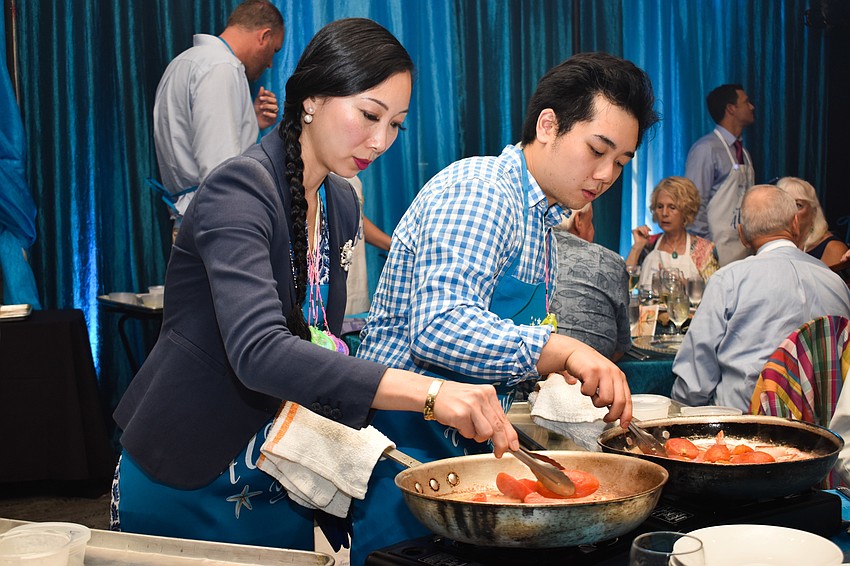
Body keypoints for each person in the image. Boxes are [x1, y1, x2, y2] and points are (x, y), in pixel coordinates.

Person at [111, 18, 518, 553]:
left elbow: (313, 340)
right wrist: (430, 393)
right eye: (369, 115)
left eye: (396, 124)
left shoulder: (341, 202)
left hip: (282, 465)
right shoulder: (238, 190)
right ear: (310, 99)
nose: (380, 141)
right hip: (194, 461)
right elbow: (260, 351)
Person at [353, 51, 658, 562]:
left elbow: (500, 333)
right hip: (406, 440)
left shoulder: (540, 219)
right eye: (597, 150)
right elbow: (440, 326)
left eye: (621, 163)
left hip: (459, 438)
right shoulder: (483, 191)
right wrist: (560, 349)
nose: (606, 175)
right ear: (548, 125)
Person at [671, 185, 850, 412]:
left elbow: (694, 383)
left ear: (742, 234)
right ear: (795, 225)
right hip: (823, 433)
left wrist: (680, 411)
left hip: (744, 431)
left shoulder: (729, 281)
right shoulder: (836, 283)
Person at [153, 0, 284, 238]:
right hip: (218, 226)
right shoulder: (221, 68)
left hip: (192, 220)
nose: (270, 63)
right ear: (264, 36)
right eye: (274, 50)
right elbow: (220, 168)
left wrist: (249, 122)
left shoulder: (184, 62)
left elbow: (192, 140)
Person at [684, 84, 756, 266]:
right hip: (715, 254)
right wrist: (706, 253)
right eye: (746, 102)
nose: (752, 107)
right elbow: (693, 205)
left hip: (744, 252)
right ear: (731, 109)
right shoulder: (706, 149)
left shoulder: (744, 153)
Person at [550, 204, 630, 361]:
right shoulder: (608, 260)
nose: (593, 229)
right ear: (578, 220)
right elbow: (622, 346)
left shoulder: (525, 254)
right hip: (590, 377)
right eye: (591, 222)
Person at [626, 176, 719, 289]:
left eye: (672, 207)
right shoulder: (649, 244)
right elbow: (623, 286)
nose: (664, 213)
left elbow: (715, 293)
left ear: (686, 211)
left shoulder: (703, 249)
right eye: (660, 206)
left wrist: (686, 285)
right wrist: (637, 247)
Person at [342, 174, 392, 317]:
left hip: (356, 288)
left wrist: (393, 245)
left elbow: (358, 221)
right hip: (329, 289)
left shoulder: (353, 178)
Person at [776, 176, 849, 267]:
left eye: (798, 205)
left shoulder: (833, 249)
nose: (790, 211)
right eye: (784, 205)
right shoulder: (772, 245)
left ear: (813, 212)